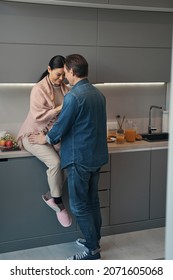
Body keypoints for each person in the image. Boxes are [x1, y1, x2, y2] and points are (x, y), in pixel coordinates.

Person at [28, 54, 108, 260]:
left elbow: (61, 126)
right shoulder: (98, 94)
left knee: (80, 205)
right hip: (96, 156)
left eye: (66, 73)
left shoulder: (74, 96)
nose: (64, 78)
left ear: (72, 72)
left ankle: (92, 251)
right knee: (92, 202)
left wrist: (45, 138)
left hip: (78, 158)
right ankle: (94, 241)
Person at [17, 55, 72, 228]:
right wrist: (61, 108)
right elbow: (38, 116)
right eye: (57, 74)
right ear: (49, 69)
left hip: (52, 136)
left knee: (70, 162)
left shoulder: (66, 89)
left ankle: (50, 196)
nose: (61, 78)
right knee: (55, 162)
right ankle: (58, 202)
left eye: (63, 75)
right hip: (32, 135)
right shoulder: (38, 89)